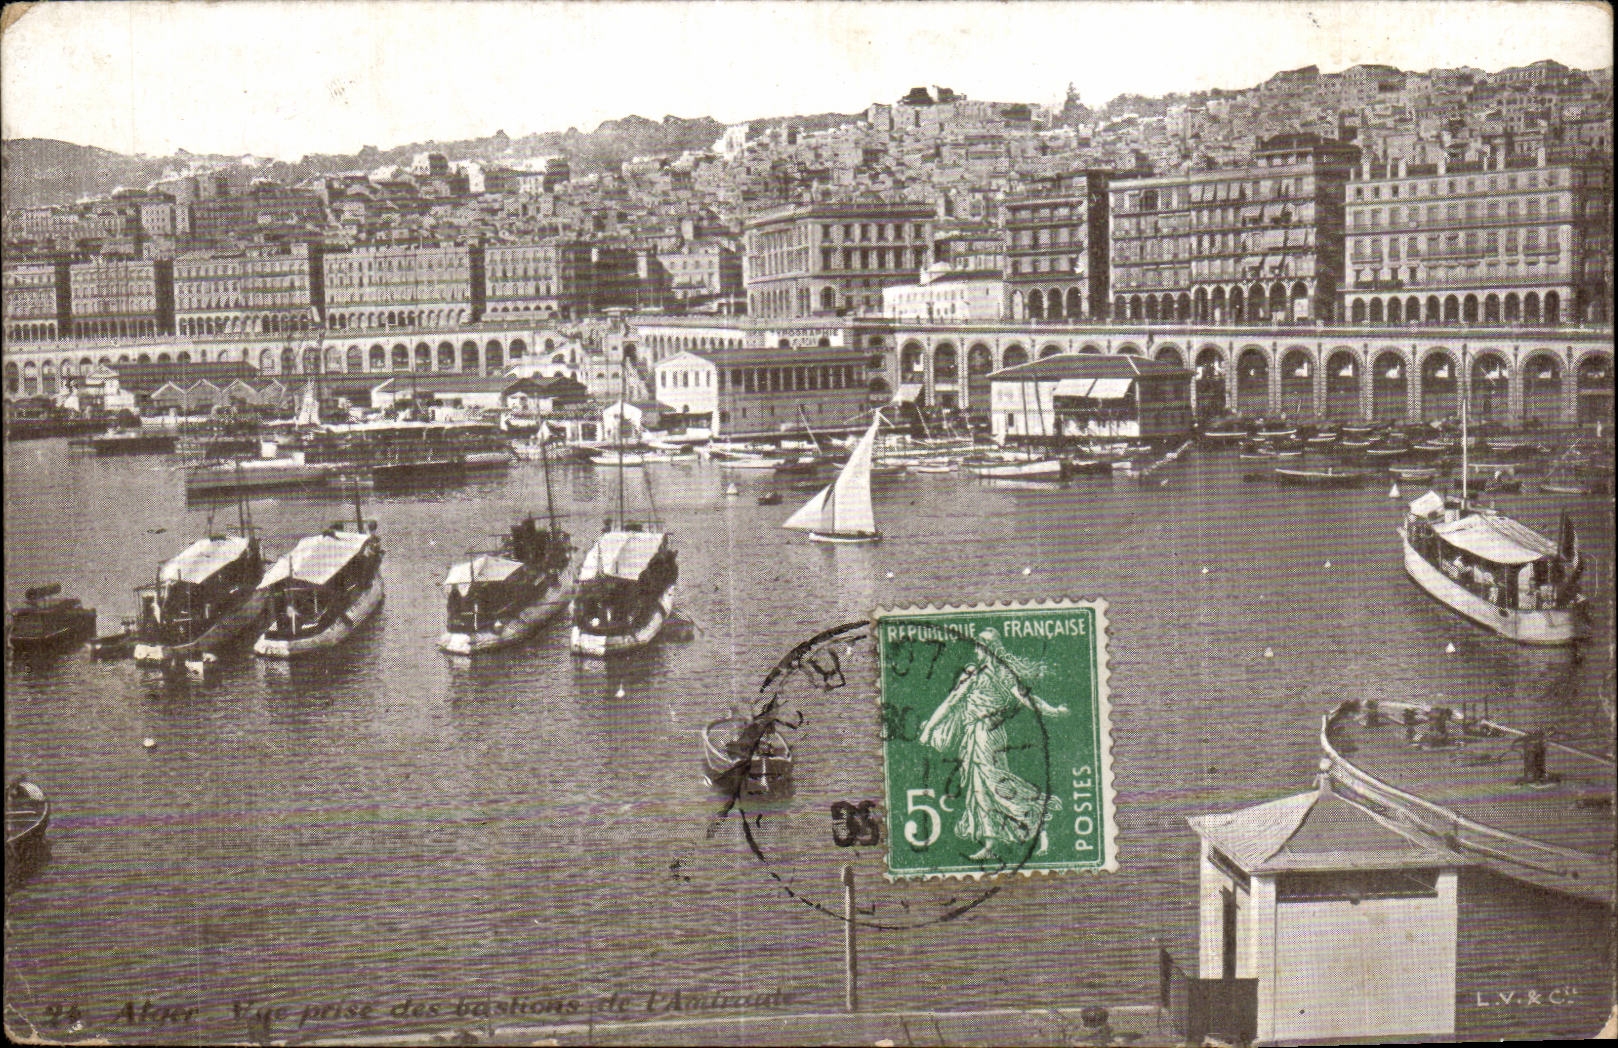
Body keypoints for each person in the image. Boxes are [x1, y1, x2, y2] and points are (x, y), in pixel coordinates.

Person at [918, 627, 1069, 861]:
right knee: (987, 787)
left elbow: (951, 703)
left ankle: (1021, 829)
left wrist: (1051, 711)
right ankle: (1005, 839)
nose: (976, 650)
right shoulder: (986, 674)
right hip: (981, 735)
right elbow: (952, 702)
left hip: (985, 735)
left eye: (979, 645)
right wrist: (1052, 711)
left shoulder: (988, 675)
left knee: (989, 785)